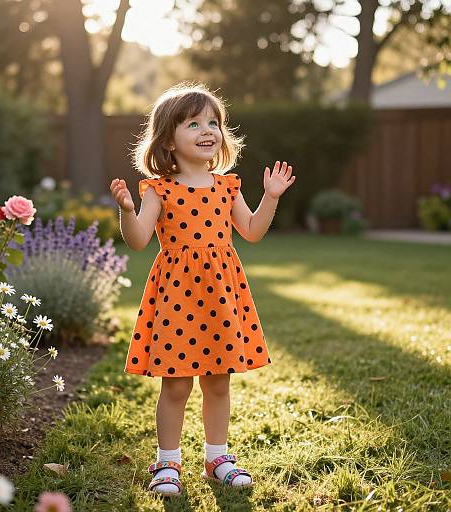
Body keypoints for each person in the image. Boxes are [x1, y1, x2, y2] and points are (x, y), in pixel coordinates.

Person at [109, 83, 296, 497]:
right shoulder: (159, 189)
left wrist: (270, 198)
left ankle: (217, 459)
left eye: (213, 122)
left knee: (217, 381)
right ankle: (168, 464)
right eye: (193, 123)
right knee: (176, 384)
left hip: (220, 295)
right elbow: (139, 239)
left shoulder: (226, 186)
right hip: (176, 295)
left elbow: (251, 231)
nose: (207, 130)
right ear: (168, 140)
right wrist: (126, 211)